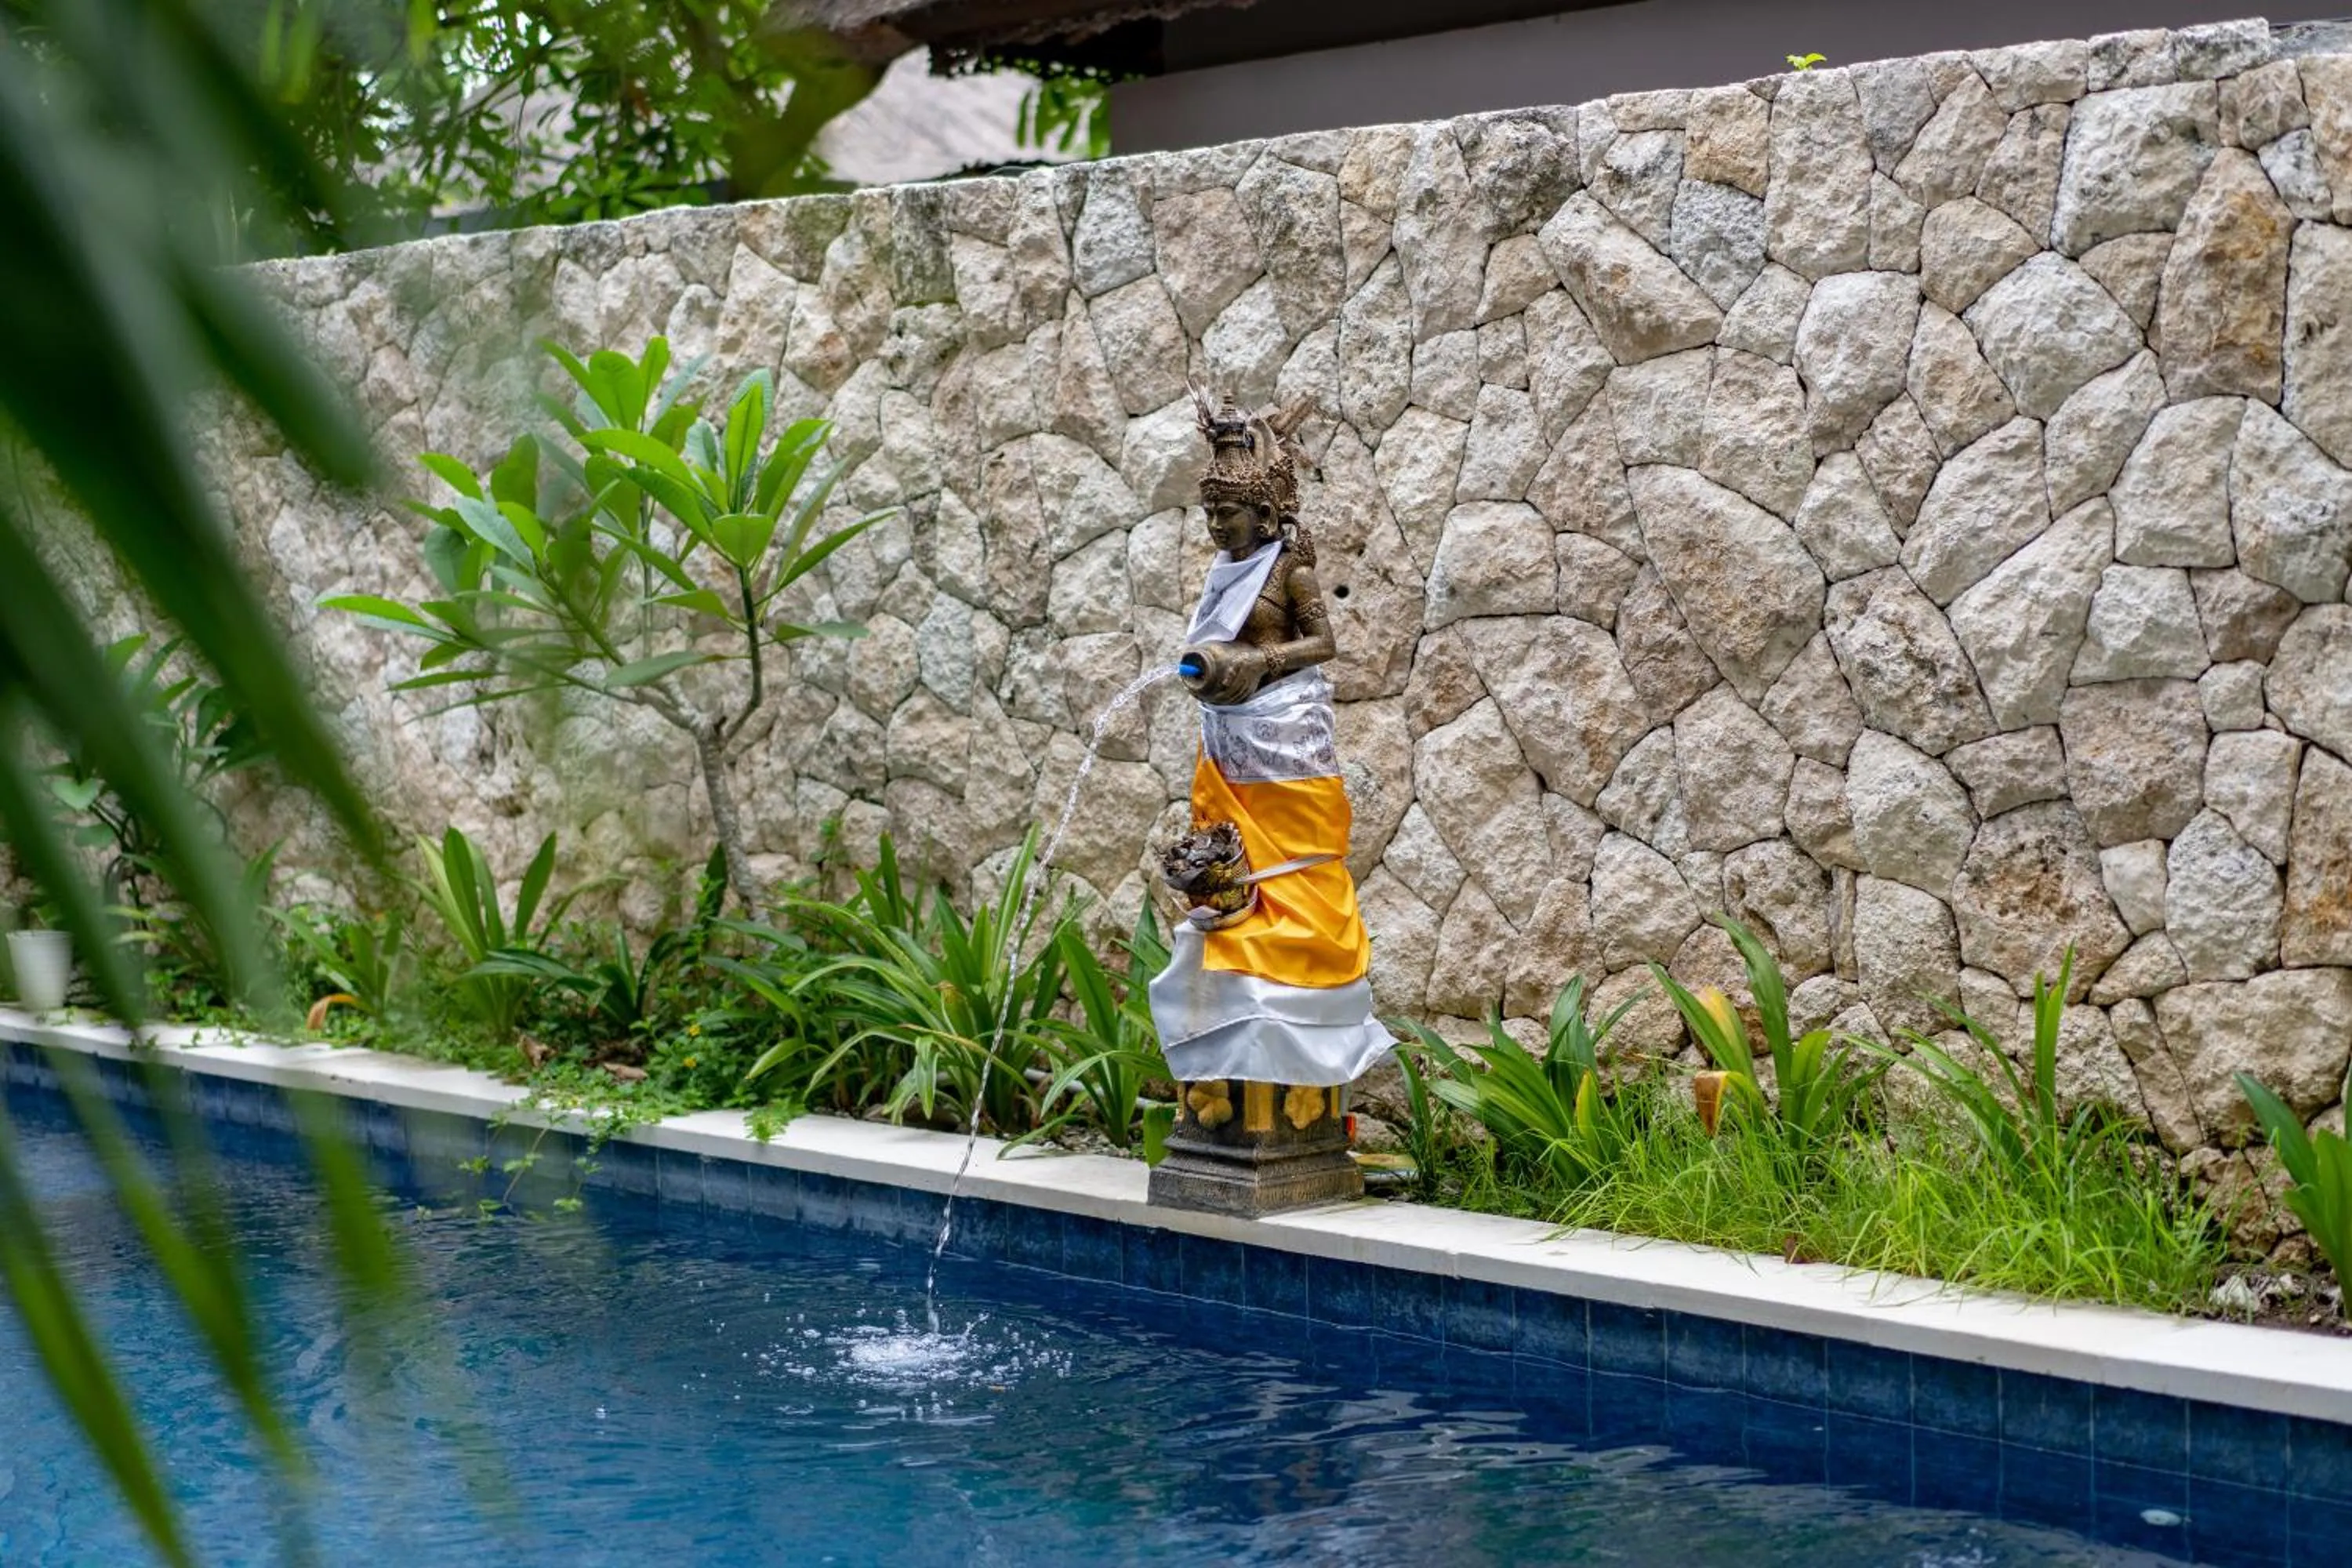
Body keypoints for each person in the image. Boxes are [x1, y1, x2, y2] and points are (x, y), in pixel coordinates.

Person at [1147, 389, 1392, 1094]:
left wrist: (1261, 663)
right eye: (1210, 513)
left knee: (1296, 873)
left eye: (1229, 512)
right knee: (1227, 868)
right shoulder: (1223, 574)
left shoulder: (1292, 571)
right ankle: (1227, 1038)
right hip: (1232, 739)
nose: (1218, 525)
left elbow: (1325, 642)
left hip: (1287, 742)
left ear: (1263, 513)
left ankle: (1300, 1007)